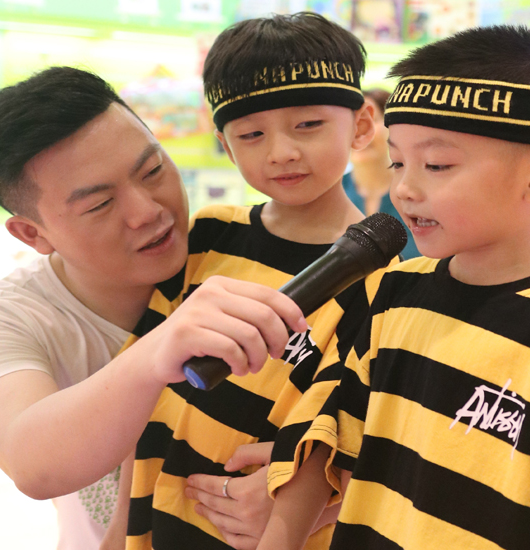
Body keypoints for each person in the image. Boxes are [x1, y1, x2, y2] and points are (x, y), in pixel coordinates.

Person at [257, 25, 530, 550]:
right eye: (397, 162)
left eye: (437, 165)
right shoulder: (393, 289)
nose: (404, 188)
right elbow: (329, 433)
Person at [0, 66, 309, 550]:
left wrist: (313, 494)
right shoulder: (7, 320)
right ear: (32, 233)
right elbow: (31, 465)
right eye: (99, 204)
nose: (148, 211)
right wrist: (158, 350)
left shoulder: (244, 251)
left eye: (153, 171)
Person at [122, 12, 396, 550]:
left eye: (308, 125)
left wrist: (322, 504)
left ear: (362, 125)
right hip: (160, 521)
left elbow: (375, 441)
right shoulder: (208, 237)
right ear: (227, 146)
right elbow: (143, 389)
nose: (282, 152)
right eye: (252, 134)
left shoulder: (387, 284)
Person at [343, 88, 420, 259]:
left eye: (370, 119)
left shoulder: (420, 192)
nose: (358, 131)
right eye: (349, 122)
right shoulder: (329, 195)